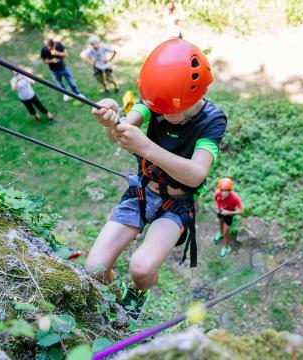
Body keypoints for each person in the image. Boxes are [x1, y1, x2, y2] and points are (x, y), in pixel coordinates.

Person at [85, 38, 226, 319]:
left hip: (176, 204)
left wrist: (146, 147)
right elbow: (121, 133)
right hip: (142, 192)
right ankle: (119, 296)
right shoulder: (156, 102)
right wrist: (110, 122)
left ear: (193, 98)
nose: (161, 113)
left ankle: (138, 295)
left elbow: (197, 173)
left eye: (167, 110)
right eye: (156, 108)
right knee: (94, 269)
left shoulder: (213, 121)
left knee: (142, 268)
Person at [213, 177, 243, 259]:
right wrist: (217, 207)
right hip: (220, 211)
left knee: (227, 232)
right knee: (220, 222)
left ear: (230, 190)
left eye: (224, 191)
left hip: (229, 214)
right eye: (221, 190)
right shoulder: (218, 193)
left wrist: (228, 212)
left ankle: (226, 247)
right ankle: (220, 233)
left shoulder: (235, 198)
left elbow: (241, 211)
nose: (222, 193)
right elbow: (214, 199)